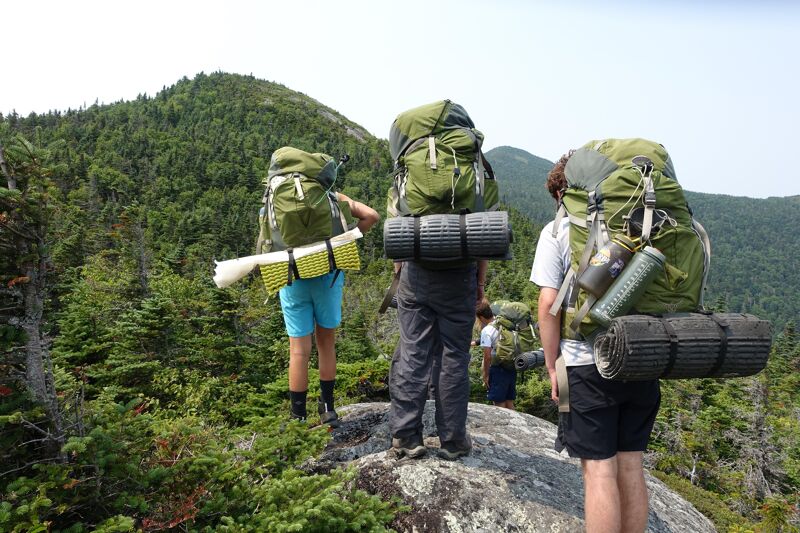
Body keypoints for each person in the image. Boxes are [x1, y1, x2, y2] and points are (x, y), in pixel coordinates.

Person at [531, 152, 660, 533]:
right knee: (631, 465)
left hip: (587, 365)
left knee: (599, 472)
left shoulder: (557, 230)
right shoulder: (638, 222)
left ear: (561, 194)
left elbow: (547, 305)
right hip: (641, 356)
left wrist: (553, 365)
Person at [283, 192, 379, 426]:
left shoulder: (280, 197)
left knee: (298, 351)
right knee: (326, 344)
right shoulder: (329, 196)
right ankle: (327, 409)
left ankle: (298, 418)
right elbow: (372, 216)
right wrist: (346, 239)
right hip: (327, 275)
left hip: (291, 276)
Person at [389, 251, 487, 459]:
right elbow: (484, 239)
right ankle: (453, 441)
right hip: (460, 278)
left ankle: (407, 436)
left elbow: (397, 232)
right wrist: (480, 283)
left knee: (412, 352)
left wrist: (399, 272)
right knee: (454, 356)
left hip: (415, 274)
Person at [476, 300, 516, 410]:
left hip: (497, 368)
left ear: (481, 317)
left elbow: (487, 356)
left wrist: (486, 375)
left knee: (499, 403)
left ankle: (504, 427)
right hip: (511, 365)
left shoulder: (487, 330)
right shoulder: (504, 325)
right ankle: (514, 425)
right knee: (509, 401)